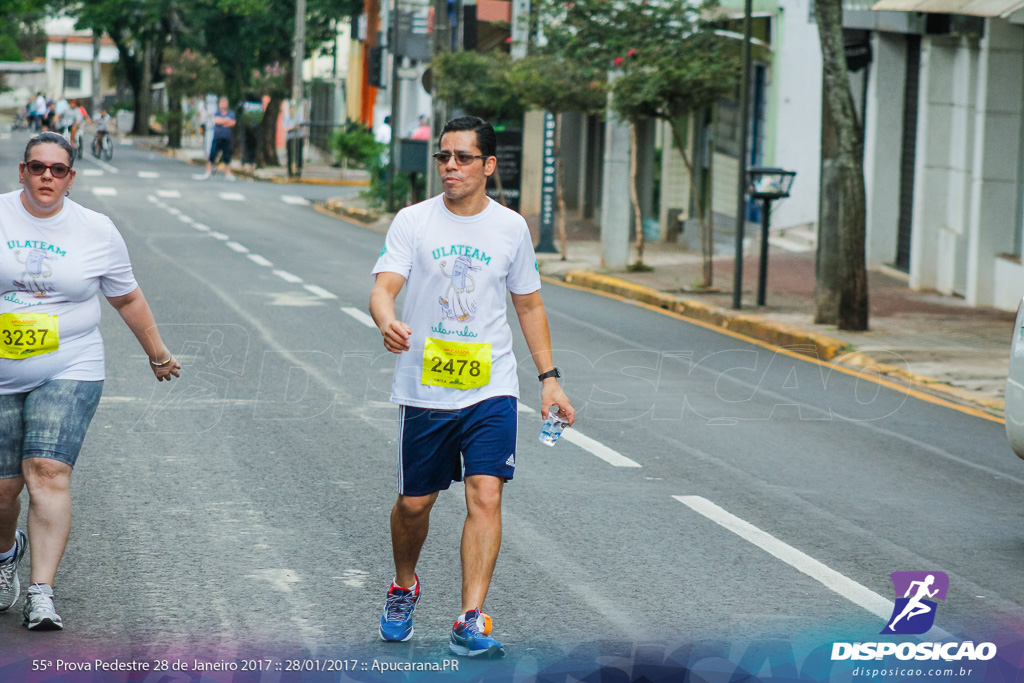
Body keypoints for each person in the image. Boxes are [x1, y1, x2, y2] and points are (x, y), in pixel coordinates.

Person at [369, 116, 575, 658]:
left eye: (462, 157)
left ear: (488, 165)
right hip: (426, 388)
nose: (450, 167)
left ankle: (470, 616)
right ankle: (404, 585)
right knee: (416, 505)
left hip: (492, 386)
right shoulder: (414, 221)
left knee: (486, 494)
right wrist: (386, 319)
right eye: (444, 157)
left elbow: (528, 303)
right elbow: (384, 286)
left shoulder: (510, 228)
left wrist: (549, 380)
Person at [0, 132, 181, 631]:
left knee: (46, 471)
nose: (46, 178)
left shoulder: (96, 230)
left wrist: (157, 354)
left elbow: (126, 298)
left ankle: (41, 591)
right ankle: (3, 557)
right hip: (2, 369)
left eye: (58, 170)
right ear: (22, 171)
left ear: (71, 178)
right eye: (37, 168)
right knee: (4, 489)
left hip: (69, 363)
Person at [202, 97, 236, 180]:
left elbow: (232, 123)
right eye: (222, 103)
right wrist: (226, 121)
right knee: (212, 155)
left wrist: (223, 122)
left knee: (227, 157)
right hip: (217, 138)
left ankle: (228, 174)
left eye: (225, 103)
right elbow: (216, 121)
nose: (223, 104)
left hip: (227, 139)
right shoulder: (217, 113)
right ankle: (208, 172)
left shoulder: (231, 114)